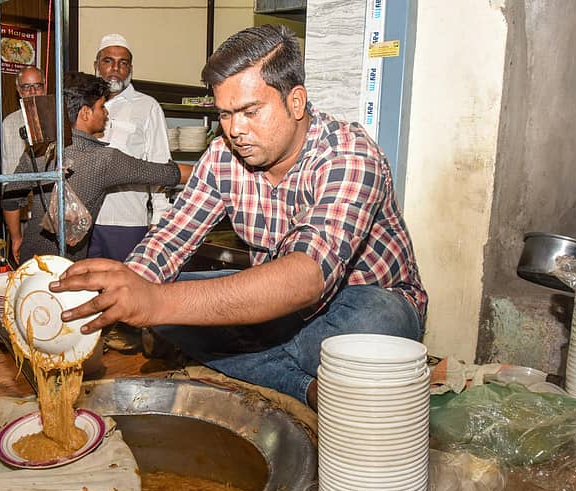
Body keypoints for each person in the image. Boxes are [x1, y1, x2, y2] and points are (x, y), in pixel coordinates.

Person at [50, 25, 427, 410]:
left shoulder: (349, 154)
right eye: (225, 115)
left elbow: (306, 278)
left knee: (374, 324)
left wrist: (159, 302)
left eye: (250, 111)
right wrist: (123, 293)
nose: (236, 131)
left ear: (296, 102)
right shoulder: (221, 156)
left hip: (361, 302)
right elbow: (171, 238)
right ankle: (305, 384)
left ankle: (270, 355)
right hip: (278, 310)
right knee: (170, 308)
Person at [1, 72, 191, 264]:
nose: (106, 113)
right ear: (85, 113)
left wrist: (16, 238)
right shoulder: (104, 159)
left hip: (30, 261)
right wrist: (212, 170)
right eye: (101, 107)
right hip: (64, 268)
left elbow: (10, 199)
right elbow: (169, 173)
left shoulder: (40, 149)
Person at [89, 33, 173, 262]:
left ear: (130, 68)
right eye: (108, 61)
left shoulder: (147, 107)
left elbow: (160, 164)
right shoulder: (83, 104)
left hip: (126, 223)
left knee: (126, 291)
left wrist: (159, 220)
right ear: (96, 65)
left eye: (123, 63)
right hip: (83, 221)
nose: (115, 68)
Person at [2, 66, 47, 261]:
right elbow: (10, 176)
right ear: (19, 91)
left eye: (37, 86)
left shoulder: (59, 118)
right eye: (26, 87)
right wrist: (15, 234)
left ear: (44, 88)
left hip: (53, 213)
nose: (32, 92)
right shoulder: (10, 124)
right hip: (21, 213)